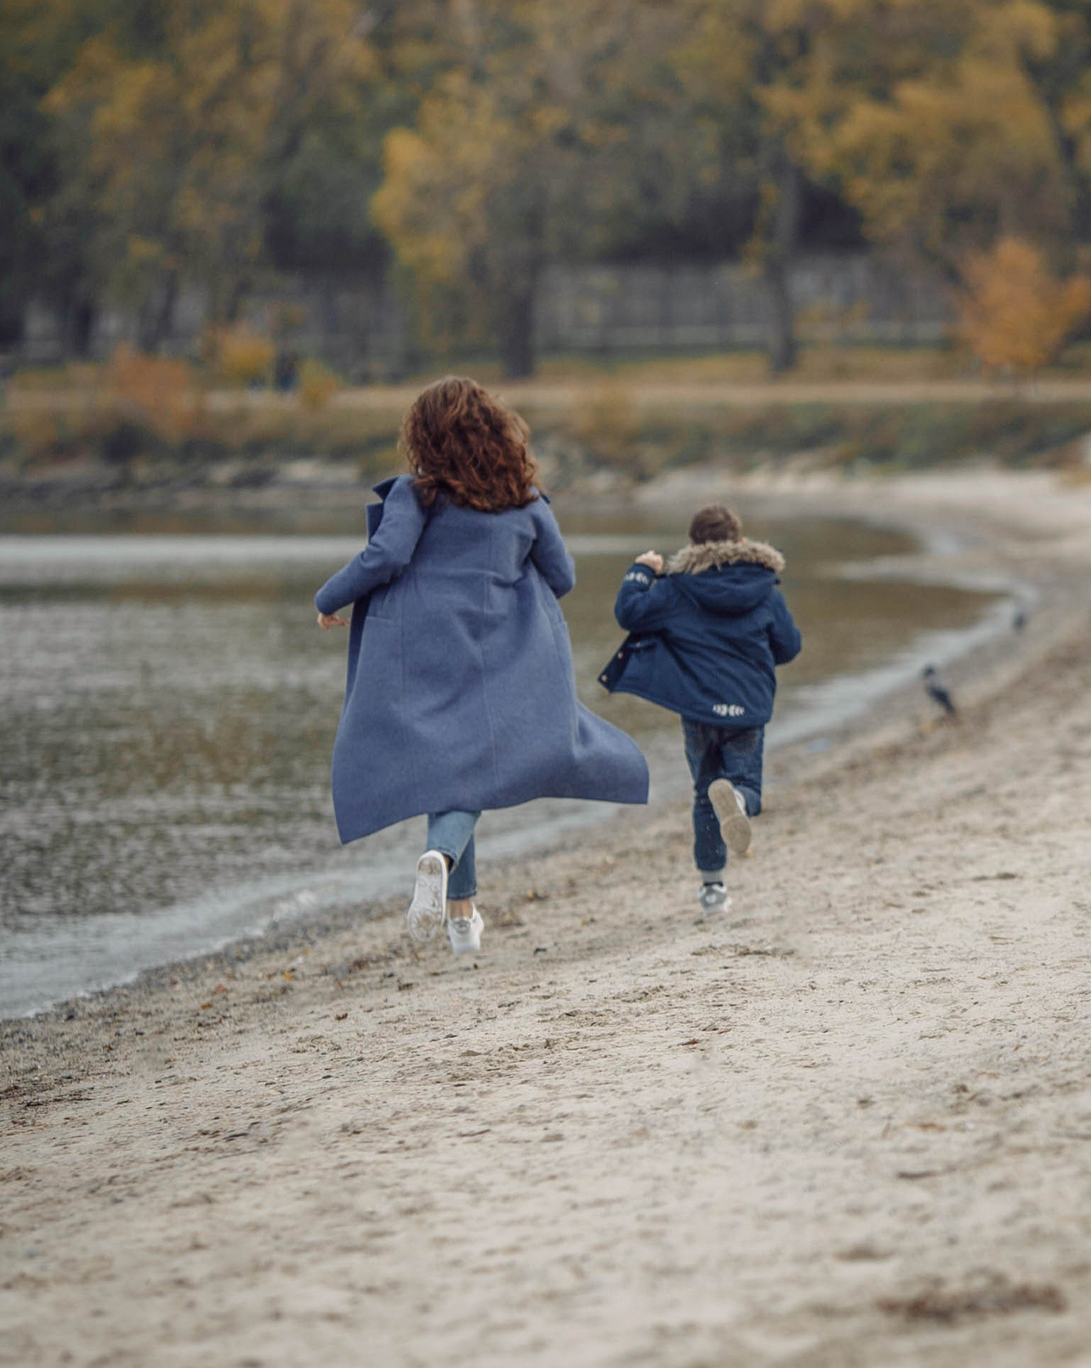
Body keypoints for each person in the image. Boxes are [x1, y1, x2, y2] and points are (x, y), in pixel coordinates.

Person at [314, 377, 649, 954]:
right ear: (497, 433)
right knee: (476, 767)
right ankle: (444, 867)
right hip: (495, 651)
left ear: (425, 438)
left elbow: (385, 556)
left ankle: (461, 919)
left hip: (424, 650)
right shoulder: (526, 502)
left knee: (454, 768)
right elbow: (563, 577)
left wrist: (328, 597)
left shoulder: (415, 495)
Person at [608, 504, 801, 916]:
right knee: (744, 786)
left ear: (693, 545)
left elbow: (629, 612)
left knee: (704, 796)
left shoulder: (676, 589)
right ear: (740, 541)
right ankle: (738, 799)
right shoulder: (765, 588)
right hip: (748, 706)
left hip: (699, 709)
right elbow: (789, 646)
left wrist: (642, 570)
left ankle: (713, 890)